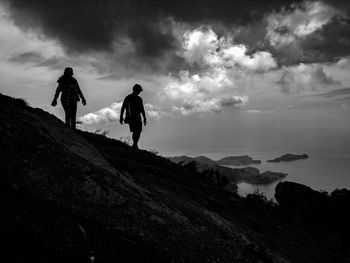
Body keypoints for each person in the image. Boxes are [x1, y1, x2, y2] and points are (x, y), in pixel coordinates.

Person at [120, 84, 147, 149]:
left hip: (138, 117)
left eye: (139, 91)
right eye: (138, 91)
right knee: (135, 130)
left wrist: (144, 118)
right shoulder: (128, 98)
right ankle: (135, 144)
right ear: (135, 90)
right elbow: (123, 107)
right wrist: (121, 117)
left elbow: (142, 108)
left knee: (139, 130)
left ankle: (135, 144)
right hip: (131, 117)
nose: (139, 92)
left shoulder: (139, 99)